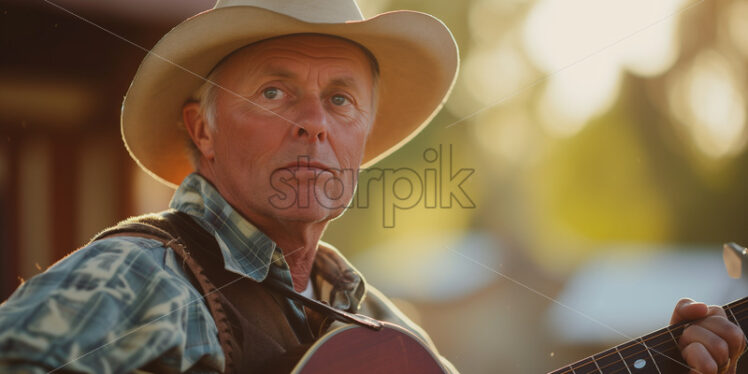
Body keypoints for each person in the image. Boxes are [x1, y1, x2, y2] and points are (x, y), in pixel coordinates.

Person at [0, 0, 744, 373]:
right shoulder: (125, 280)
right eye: (274, 93)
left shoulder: (384, 332)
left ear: (364, 134)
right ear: (203, 129)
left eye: (341, 100)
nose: (313, 126)